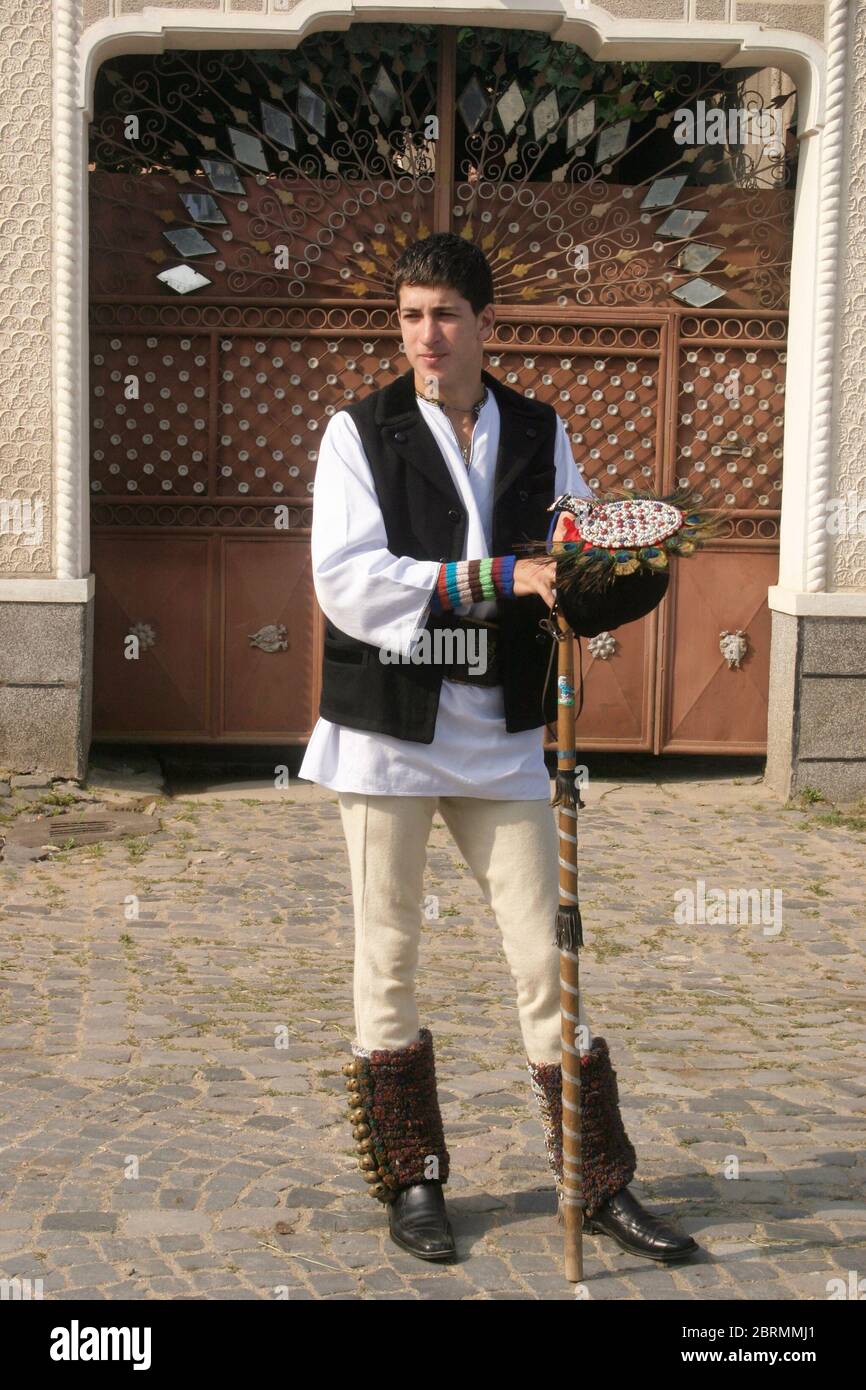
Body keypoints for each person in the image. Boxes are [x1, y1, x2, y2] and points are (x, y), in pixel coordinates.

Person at [298, 232, 698, 1266]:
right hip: (389, 727)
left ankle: (598, 1181)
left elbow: (566, 548)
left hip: (507, 729)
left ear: (484, 325)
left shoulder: (538, 427)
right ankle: (414, 1178)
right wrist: (493, 580)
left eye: (442, 315)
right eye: (408, 316)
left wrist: (612, 569)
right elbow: (346, 580)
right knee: (386, 954)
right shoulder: (360, 433)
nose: (423, 336)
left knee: (546, 956)